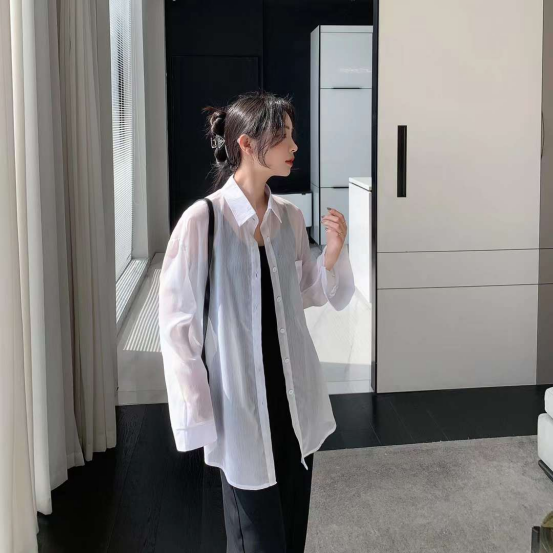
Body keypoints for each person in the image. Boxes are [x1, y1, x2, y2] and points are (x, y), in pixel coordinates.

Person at [158, 90, 355, 552]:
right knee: (257, 541)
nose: (294, 146)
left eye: (292, 135)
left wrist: (330, 255)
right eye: (282, 136)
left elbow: (303, 294)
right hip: (242, 408)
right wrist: (197, 416)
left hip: (294, 401)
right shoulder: (203, 221)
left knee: (292, 534)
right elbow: (178, 327)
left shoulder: (289, 217)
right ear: (246, 144)